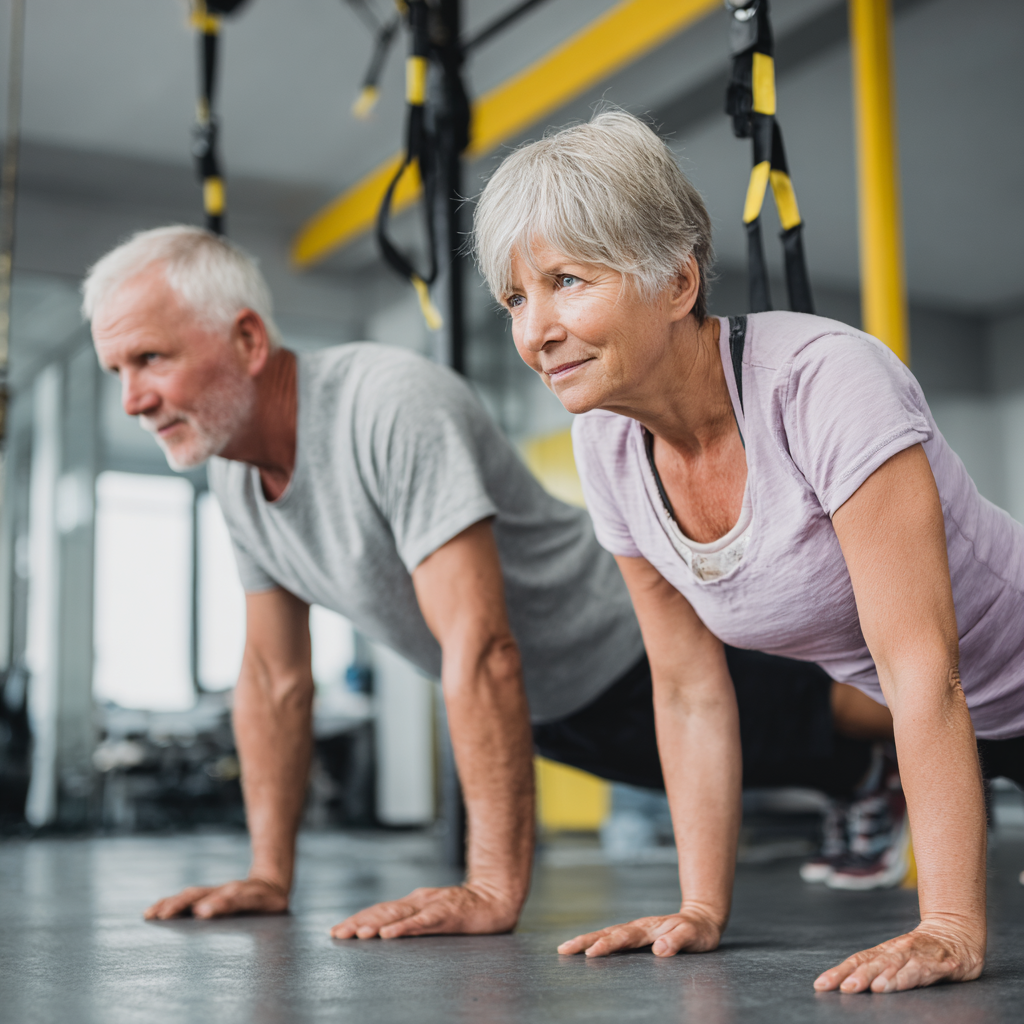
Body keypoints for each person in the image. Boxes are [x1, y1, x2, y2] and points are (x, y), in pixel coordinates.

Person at [83, 226, 897, 941]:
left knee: (861, 703)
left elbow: (481, 644)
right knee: (782, 756)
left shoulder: (386, 405)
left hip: (625, 640)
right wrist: (269, 875)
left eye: (150, 359)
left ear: (248, 340)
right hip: (544, 711)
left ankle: (954, 726)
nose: (132, 400)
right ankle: (863, 781)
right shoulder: (235, 479)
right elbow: (273, 678)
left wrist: (491, 888)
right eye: (117, 368)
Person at [472, 110, 1024, 993]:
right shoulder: (606, 446)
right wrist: (700, 907)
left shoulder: (823, 382)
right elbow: (688, 690)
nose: (534, 330)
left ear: (677, 281)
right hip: (979, 733)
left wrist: (949, 928)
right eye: (514, 298)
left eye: (566, 280)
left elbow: (923, 669)